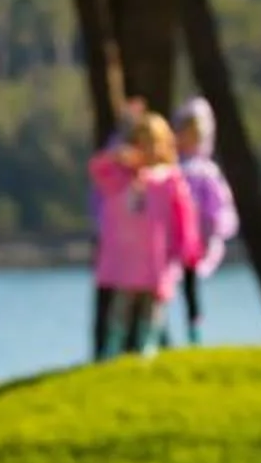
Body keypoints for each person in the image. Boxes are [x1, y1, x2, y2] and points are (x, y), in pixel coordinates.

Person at [90, 106, 202, 359]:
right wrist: (117, 155)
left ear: (164, 145)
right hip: (128, 259)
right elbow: (98, 170)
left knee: (152, 309)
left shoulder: (168, 180)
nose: (148, 149)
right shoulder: (124, 178)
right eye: (142, 143)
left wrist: (186, 249)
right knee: (121, 307)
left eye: (153, 142)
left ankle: (146, 349)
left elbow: (184, 218)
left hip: (157, 259)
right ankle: (112, 350)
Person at [173, 97, 239, 345]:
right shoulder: (173, 169)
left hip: (191, 243)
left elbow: (217, 208)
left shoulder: (205, 172)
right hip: (170, 241)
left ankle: (194, 332)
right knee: (163, 288)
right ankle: (157, 335)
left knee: (190, 289)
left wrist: (211, 230)